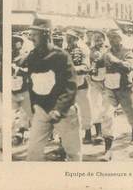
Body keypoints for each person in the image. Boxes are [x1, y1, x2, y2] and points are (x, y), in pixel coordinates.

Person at [23, 18, 81, 161]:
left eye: (34, 34)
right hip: (42, 110)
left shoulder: (61, 56)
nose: (31, 38)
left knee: (73, 153)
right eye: (30, 34)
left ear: (46, 34)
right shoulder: (32, 56)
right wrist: (34, 108)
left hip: (64, 111)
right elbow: (32, 83)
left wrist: (59, 109)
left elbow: (71, 85)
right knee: (33, 153)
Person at [101, 29, 133, 161]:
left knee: (132, 112)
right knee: (107, 115)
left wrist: (115, 61)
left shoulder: (128, 52)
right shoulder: (107, 52)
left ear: (120, 39)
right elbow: (100, 64)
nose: (112, 41)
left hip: (125, 87)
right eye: (110, 38)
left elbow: (129, 67)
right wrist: (96, 65)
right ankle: (108, 148)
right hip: (109, 87)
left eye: (115, 38)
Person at [65, 28, 93, 144]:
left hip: (81, 83)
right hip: (68, 84)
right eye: (67, 38)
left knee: (85, 108)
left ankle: (88, 132)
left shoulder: (83, 50)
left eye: (71, 38)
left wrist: (70, 69)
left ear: (76, 39)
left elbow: (86, 67)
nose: (69, 40)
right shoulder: (65, 50)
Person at [11, 35, 32, 146]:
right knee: (12, 111)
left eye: (17, 42)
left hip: (24, 85)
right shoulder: (10, 54)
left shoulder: (26, 55)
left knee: (25, 111)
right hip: (12, 85)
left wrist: (20, 70)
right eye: (13, 41)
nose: (15, 44)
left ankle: (21, 132)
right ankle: (16, 132)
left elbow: (30, 69)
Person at [88, 30, 108, 142]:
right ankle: (98, 133)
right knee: (95, 106)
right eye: (95, 39)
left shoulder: (108, 50)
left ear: (104, 39)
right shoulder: (90, 51)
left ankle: (107, 133)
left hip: (107, 81)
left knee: (107, 107)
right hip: (95, 81)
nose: (98, 41)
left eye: (100, 38)